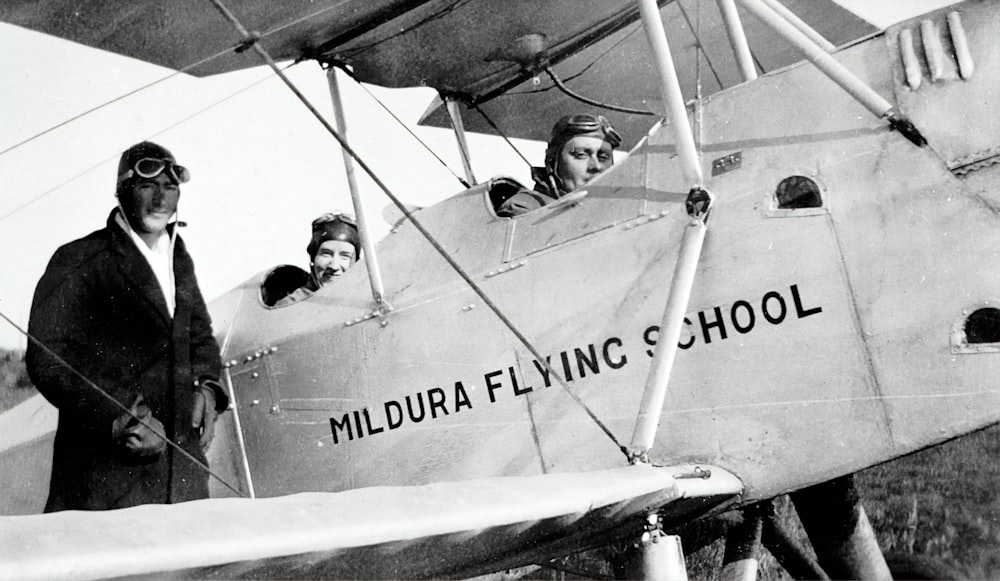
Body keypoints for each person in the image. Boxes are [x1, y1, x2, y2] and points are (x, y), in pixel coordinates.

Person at [26, 141, 228, 512]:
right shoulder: (80, 257)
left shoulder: (177, 258)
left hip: (182, 479)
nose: (160, 199)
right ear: (123, 189)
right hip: (106, 481)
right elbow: (50, 355)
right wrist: (122, 416)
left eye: (170, 187)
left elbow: (199, 336)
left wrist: (209, 390)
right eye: (148, 186)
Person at [496, 113, 622, 217]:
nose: (596, 166)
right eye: (581, 155)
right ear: (552, 162)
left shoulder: (615, 212)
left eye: (603, 157)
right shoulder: (524, 209)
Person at [270, 212, 360, 307]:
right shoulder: (289, 306)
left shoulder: (364, 301)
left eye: (345, 256)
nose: (334, 266)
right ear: (313, 258)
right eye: (326, 254)